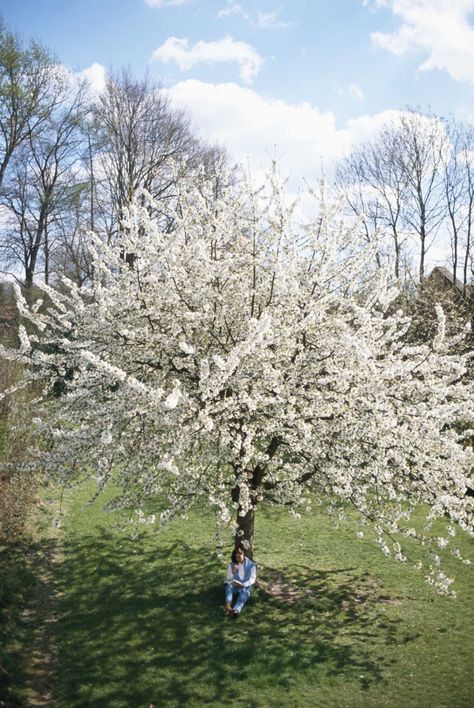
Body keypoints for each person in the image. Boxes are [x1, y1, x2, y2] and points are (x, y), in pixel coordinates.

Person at [224, 546, 257, 616]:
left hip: (245, 587)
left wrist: (244, 584)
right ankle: (228, 606)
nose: (238, 556)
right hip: (235, 586)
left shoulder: (251, 565)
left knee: (244, 594)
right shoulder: (232, 564)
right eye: (237, 555)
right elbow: (228, 578)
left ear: (243, 554)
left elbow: (252, 579)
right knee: (229, 586)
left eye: (240, 554)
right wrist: (233, 571)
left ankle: (236, 610)